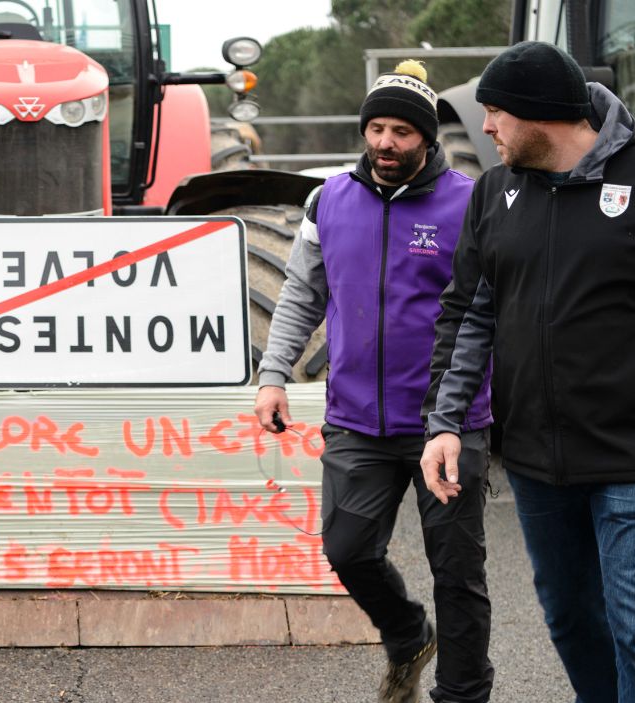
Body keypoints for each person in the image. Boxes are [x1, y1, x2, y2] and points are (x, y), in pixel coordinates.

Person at [420, 41, 635, 702]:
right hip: (538, 465)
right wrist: (446, 422)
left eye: (495, 113)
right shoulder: (494, 193)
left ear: (540, 113)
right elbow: (467, 315)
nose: (485, 127)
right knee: (572, 620)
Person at [254, 60, 494, 703]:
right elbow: (303, 294)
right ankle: (407, 633)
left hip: (446, 421)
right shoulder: (327, 199)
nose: (386, 143)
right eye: (377, 128)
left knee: (458, 575)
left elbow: (487, 308)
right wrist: (273, 374)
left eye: (402, 132)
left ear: (427, 138)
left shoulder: (468, 203)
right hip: (357, 418)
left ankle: (462, 695)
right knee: (348, 549)